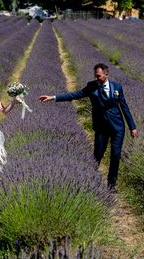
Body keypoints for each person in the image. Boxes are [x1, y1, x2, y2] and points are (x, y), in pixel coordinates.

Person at [39, 63, 138, 192]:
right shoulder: (91, 87)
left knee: (116, 155)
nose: (96, 78)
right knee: (97, 155)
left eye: (98, 76)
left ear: (106, 74)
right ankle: (89, 182)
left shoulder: (117, 88)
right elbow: (75, 95)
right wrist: (53, 97)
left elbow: (124, 108)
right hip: (101, 128)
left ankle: (111, 185)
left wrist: (132, 127)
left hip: (117, 127)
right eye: (95, 76)